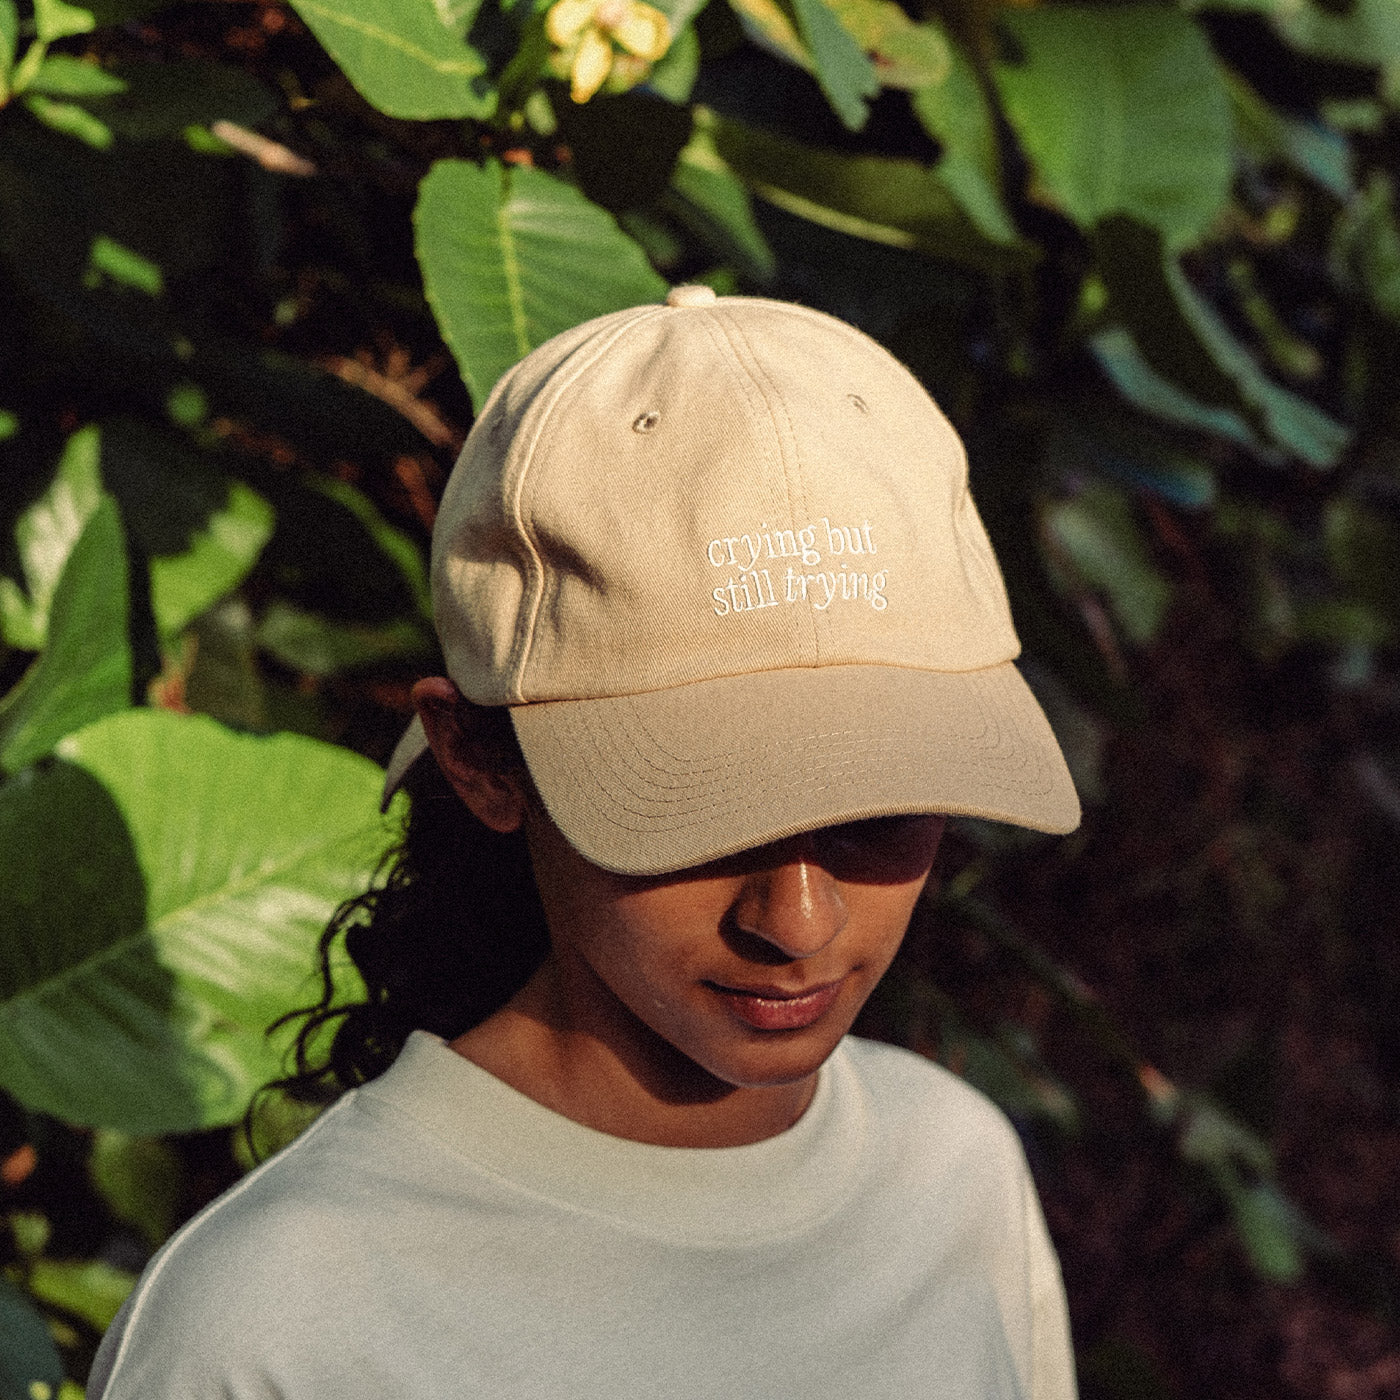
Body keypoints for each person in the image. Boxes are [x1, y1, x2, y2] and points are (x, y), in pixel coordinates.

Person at [87, 285, 1082, 1399]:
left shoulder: (956, 1176)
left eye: (877, 810)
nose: (798, 919)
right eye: (699, 808)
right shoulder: (272, 1329)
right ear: (479, 759)